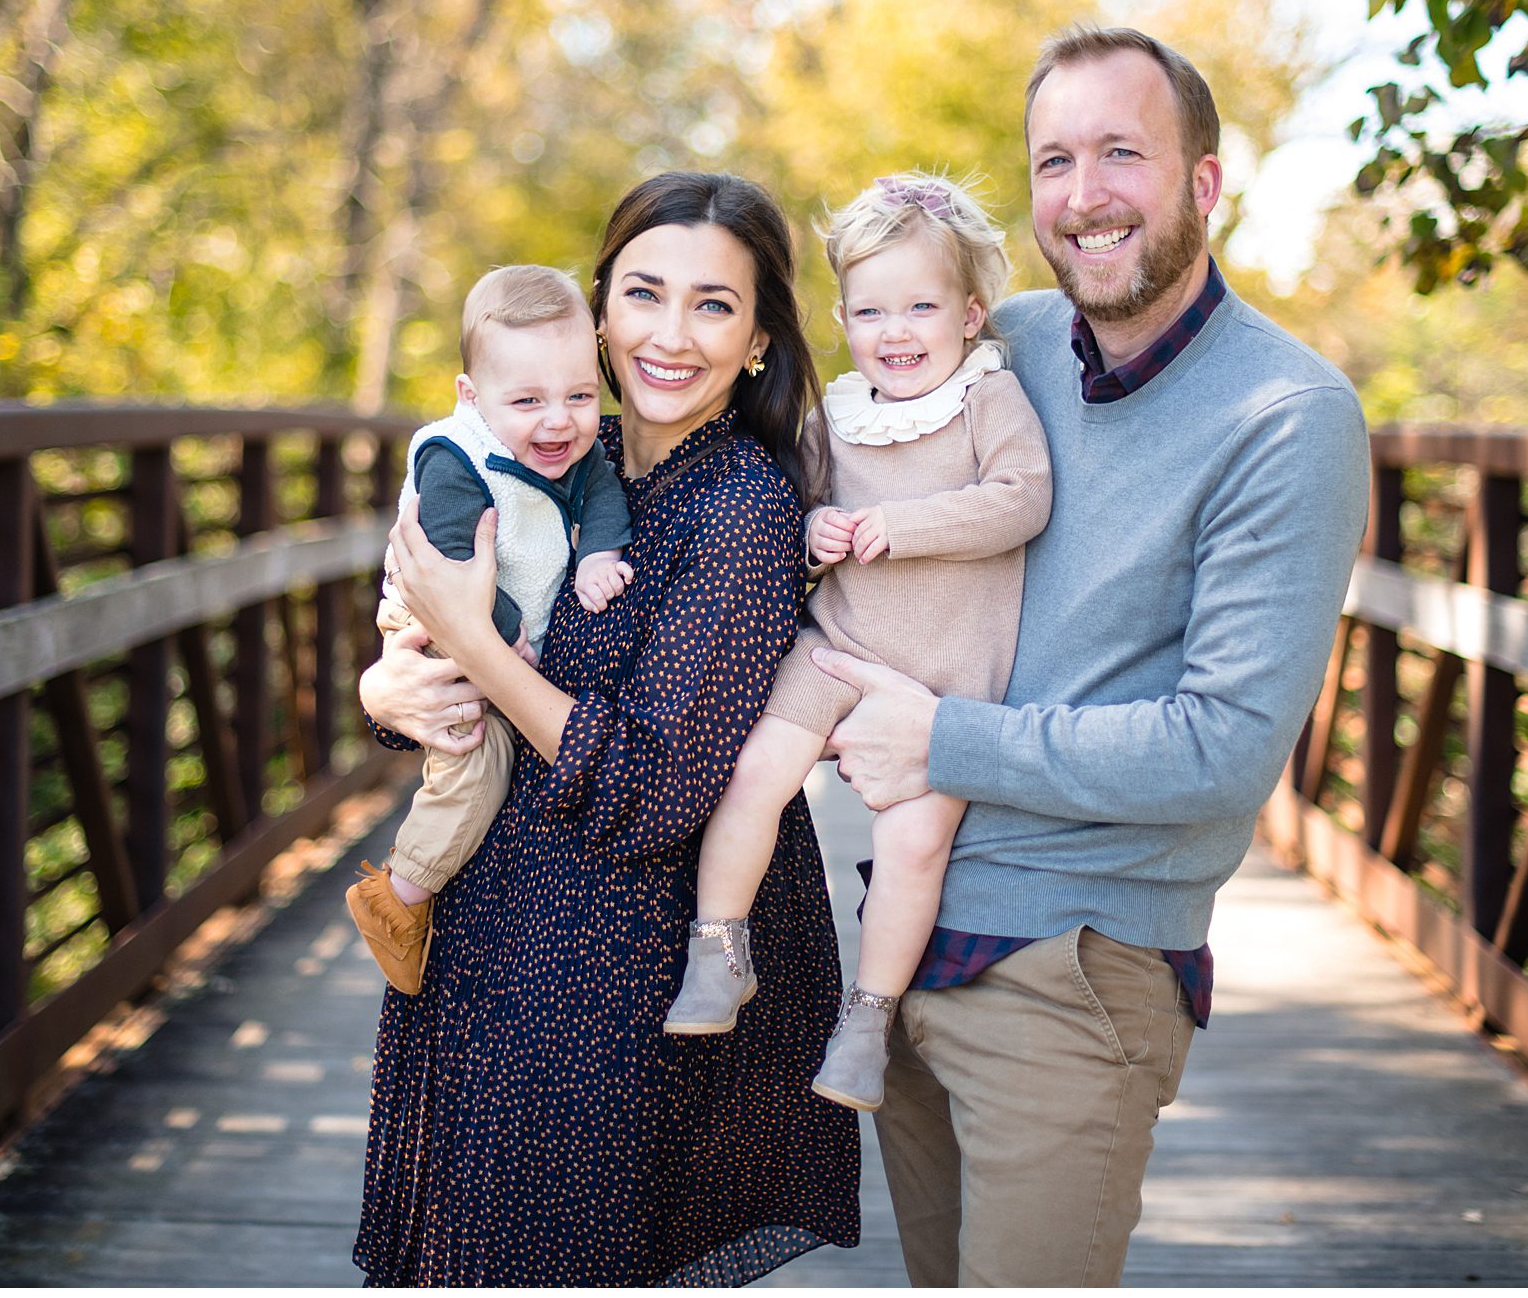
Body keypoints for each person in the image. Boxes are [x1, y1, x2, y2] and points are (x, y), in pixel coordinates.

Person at [814, 26, 1371, 1286]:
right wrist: (460, 601)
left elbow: (1223, 750)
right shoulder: (992, 341)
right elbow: (798, 463)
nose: (1084, 193)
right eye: (1054, 159)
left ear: (1206, 182)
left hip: (1076, 970)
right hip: (905, 942)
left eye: (1123, 151)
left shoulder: (1286, 419)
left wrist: (942, 737)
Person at [352, 172, 861, 1284]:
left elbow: (651, 787)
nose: (670, 335)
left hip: (606, 989)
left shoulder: (740, 511)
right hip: (484, 949)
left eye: (713, 304)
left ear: (761, 336)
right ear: (597, 310)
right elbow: (428, 647)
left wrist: (477, 651)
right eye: (643, 292)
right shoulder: (534, 443)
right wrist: (385, 692)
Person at [660, 171, 1051, 1118]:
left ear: (970, 312)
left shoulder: (985, 401)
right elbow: (810, 507)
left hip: (945, 683)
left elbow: (1023, 497)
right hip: (834, 652)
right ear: (842, 318)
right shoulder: (840, 413)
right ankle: (719, 947)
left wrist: (901, 525)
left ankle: (867, 1019)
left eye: (921, 305)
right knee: (755, 774)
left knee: (914, 844)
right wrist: (818, 532)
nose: (897, 331)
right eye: (872, 311)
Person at [344, 264, 637, 995]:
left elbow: (600, 487)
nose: (559, 420)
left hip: (493, 629)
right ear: (471, 397)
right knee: (476, 761)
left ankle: (405, 896)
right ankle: (396, 900)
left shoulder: (577, 445)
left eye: (578, 395)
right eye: (528, 399)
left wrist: (600, 551)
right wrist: (500, 637)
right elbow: (445, 561)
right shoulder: (454, 456)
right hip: (442, 617)